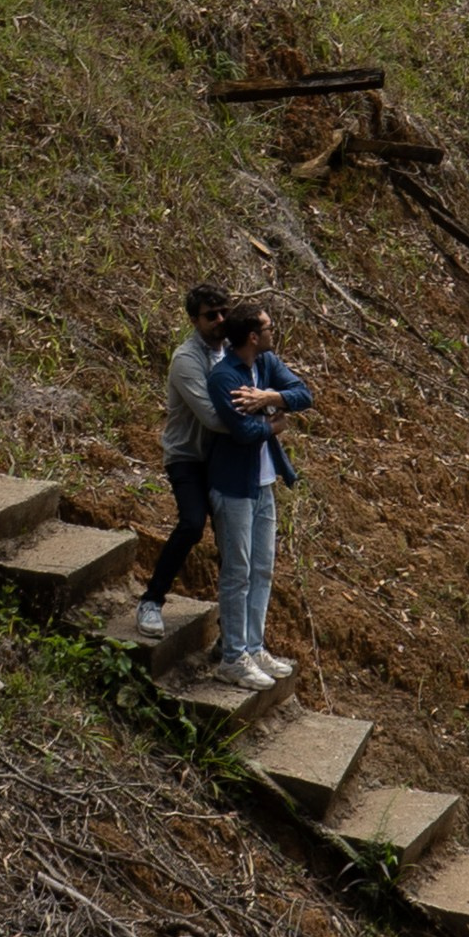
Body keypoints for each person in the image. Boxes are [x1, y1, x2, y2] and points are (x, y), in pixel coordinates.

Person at [203, 301, 312, 695]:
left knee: (262, 568)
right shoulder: (222, 378)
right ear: (252, 336)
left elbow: (304, 394)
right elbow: (244, 432)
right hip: (234, 486)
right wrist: (275, 421)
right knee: (238, 572)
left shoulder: (266, 365)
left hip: (263, 484)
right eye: (268, 327)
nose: (272, 331)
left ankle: (253, 646)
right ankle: (233, 658)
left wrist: (268, 399)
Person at [136, 284, 230, 640]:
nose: (219, 320)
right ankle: (151, 600)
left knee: (231, 536)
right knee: (192, 523)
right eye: (211, 315)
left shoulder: (233, 350)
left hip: (222, 457)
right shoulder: (186, 360)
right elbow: (211, 417)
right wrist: (259, 418)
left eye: (224, 311)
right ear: (194, 320)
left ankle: (230, 629)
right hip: (187, 457)